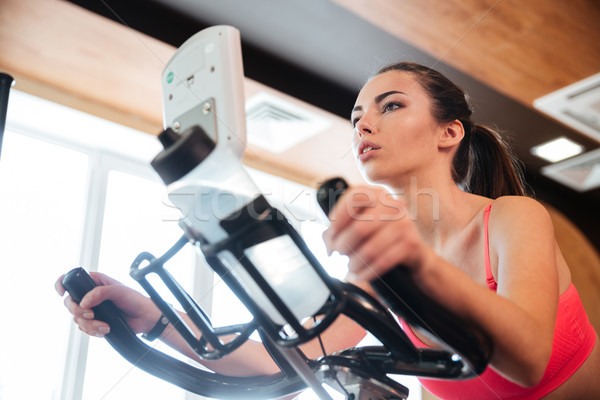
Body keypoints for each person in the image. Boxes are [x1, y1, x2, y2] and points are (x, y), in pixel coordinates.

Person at [56, 62, 599, 399]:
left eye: (391, 106)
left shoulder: (511, 217)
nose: (363, 123)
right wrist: (155, 321)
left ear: (449, 131)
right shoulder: (378, 259)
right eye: (358, 114)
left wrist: (411, 261)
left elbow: (527, 359)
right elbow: (289, 356)